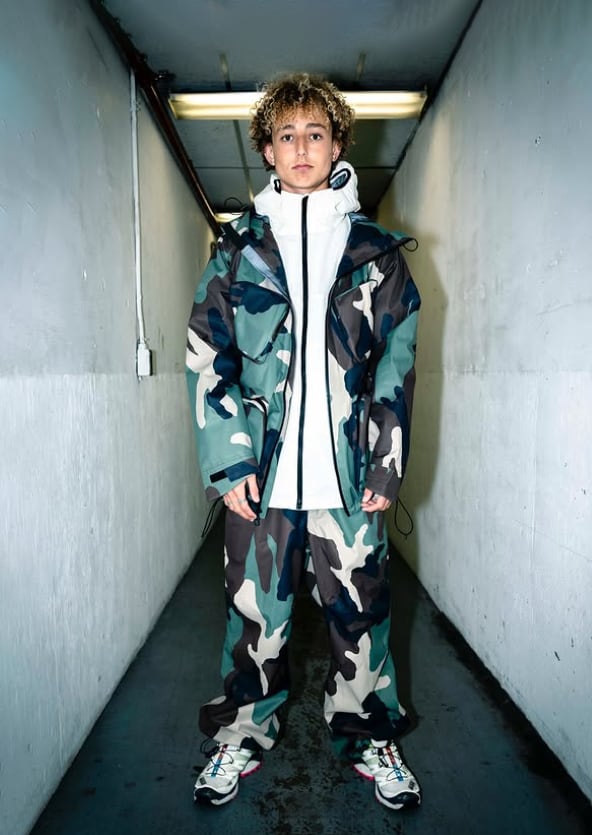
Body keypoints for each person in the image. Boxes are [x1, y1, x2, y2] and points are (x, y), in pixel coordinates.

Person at [185, 72, 421, 811]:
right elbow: (207, 354)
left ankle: (369, 733)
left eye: (315, 133)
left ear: (337, 143)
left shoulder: (375, 252)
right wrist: (228, 461)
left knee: (362, 617)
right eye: (285, 135)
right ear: (266, 149)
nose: (300, 147)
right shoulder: (238, 250)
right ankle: (240, 733)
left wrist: (385, 460)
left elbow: (397, 360)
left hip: (346, 478)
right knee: (254, 621)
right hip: (263, 480)